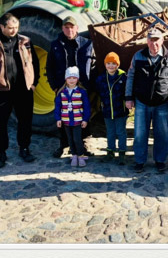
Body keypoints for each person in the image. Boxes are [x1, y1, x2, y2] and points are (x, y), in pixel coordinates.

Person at [0, 13, 40, 168]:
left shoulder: (26, 42)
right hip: (2, 91)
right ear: (2, 27)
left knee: (25, 120)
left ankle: (24, 148)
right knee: (0, 122)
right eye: (10, 28)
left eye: (16, 27)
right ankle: (0, 153)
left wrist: (34, 83)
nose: (13, 31)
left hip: (23, 89)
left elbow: (35, 63)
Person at [125, 26, 168, 173]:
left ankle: (160, 160)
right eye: (151, 40)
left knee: (162, 134)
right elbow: (131, 77)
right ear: (147, 42)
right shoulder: (138, 56)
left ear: (162, 40)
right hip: (142, 102)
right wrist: (129, 97)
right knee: (140, 134)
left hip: (162, 102)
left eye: (157, 40)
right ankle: (140, 161)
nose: (154, 43)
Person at [45, 17, 95, 158]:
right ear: (62, 28)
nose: (69, 30)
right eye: (66, 27)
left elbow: (93, 66)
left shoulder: (87, 44)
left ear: (77, 28)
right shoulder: (56, 45)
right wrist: (54, 86)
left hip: (81, 87)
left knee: (83, 114)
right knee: (63, 115)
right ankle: (63, 145)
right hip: (63, 87)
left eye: (72, 27)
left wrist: (89, 85)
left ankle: (82, 144)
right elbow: (49, 67)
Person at [54, 66, 91, 167]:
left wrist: (85, 119)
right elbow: (57, 106)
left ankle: (80, 155)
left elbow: (86, 107)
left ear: (77, 79)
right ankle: (74, 155)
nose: (71, 80)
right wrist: (58, 118)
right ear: (66, 79)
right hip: (66, 120)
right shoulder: (61, 92)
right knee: (70, 139)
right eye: (69, 78)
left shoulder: (81, 92)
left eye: (74, 78)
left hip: (77, 120)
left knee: (77, 139)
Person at [96, 51, 128, 162]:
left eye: (113, 63)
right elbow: (98, 92)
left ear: (117, 65)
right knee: (110, 132)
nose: (111, 66)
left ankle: (122, 153)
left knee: (121, 132)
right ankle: (110, 151)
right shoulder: (101, 79)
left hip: (120, 110)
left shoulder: (123, 77)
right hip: (107, 110)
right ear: (105, 65)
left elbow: (127, 92)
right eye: (108, 63)